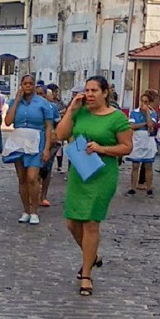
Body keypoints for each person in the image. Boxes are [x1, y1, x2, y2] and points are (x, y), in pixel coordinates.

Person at [54, 75, 133, 296]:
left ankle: (86, 274)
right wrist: (71, 109)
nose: (89, 94)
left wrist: (102, 148)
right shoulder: (80, 112)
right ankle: (92, 255)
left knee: (90, 223)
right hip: (79, 172)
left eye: (94, 90)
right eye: (87, 90)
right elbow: (60, 134)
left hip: (102, 173)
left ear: (105, 93)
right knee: (72, 223)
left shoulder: (117, 118)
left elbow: (127, 147)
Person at [2, 75, 55, 225]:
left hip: (36, 141)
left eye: (30, 84)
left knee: (33, 177)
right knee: (22, 178)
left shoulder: (43, 103)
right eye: (25, 84)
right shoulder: (15, 102)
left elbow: (49, 126)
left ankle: (34, 211)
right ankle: (25, 210)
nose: (28, 86)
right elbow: (8, 121)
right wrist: (17, 100)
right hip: (19, 140)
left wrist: (46, 149)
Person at [126, 93, 157, 196]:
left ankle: (149, 188)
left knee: (148, 165)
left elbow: (151, 125)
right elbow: (132, 126)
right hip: (137, 140)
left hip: (148, 140)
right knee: (135, 165)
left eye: (146, 102)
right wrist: (143, 124)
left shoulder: (152, 113)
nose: (143, 104)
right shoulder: (134, 112)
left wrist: (147, 113)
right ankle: (133, 187)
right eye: (142, 101)